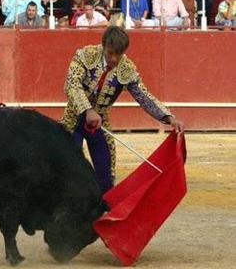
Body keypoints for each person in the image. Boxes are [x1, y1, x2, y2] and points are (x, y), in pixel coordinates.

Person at [61, 26, 184, 193]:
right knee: (67, 166)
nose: (113, 58)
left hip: (100, 123)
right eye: (110, 53)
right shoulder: (86, 55)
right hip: (73, 119)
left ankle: (102, 212)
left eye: (118, 55)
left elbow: (143, 95)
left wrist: (169, 117)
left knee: (106, 174)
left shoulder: (126, 68)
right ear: (103, 46)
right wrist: (87, 110)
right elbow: (72, 85)